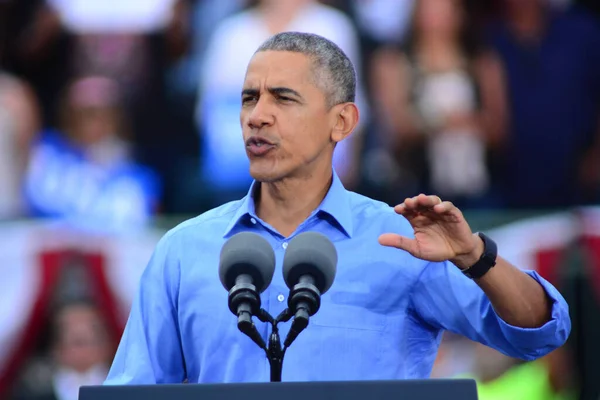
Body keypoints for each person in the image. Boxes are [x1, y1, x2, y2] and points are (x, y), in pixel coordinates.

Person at [104, 32, 570, 384]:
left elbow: (539, 331)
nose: (257, 116)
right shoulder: (183, 250)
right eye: (249, 97)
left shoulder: (405, 241)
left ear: (341, 121)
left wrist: (474, 257)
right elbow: (133, 390)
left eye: (283, 98)